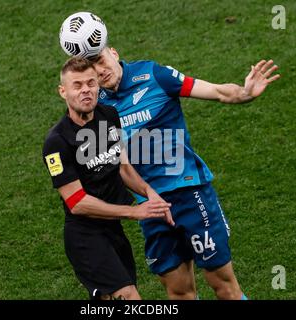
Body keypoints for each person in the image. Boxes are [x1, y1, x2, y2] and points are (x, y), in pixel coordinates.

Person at [87, 46, 280, 300]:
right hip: (151, 207)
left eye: (100, 60)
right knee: (179, 293)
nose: (100, 71)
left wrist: (244, 93)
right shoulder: (96, 107)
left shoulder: (154, 75)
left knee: (222, 284)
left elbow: (216, 91)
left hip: (189, 192)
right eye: (91, 68)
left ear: (113, 52)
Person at [42, 57, 174, 300]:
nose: (86, 91)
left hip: (113, 230)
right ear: (63, 91)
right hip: (85, 238)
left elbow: (123, 168)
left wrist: (149, 193)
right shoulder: (57, 142)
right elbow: (77, 203)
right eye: (77, 85)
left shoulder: (109, 115)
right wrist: (134, 212)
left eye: (91, 83)